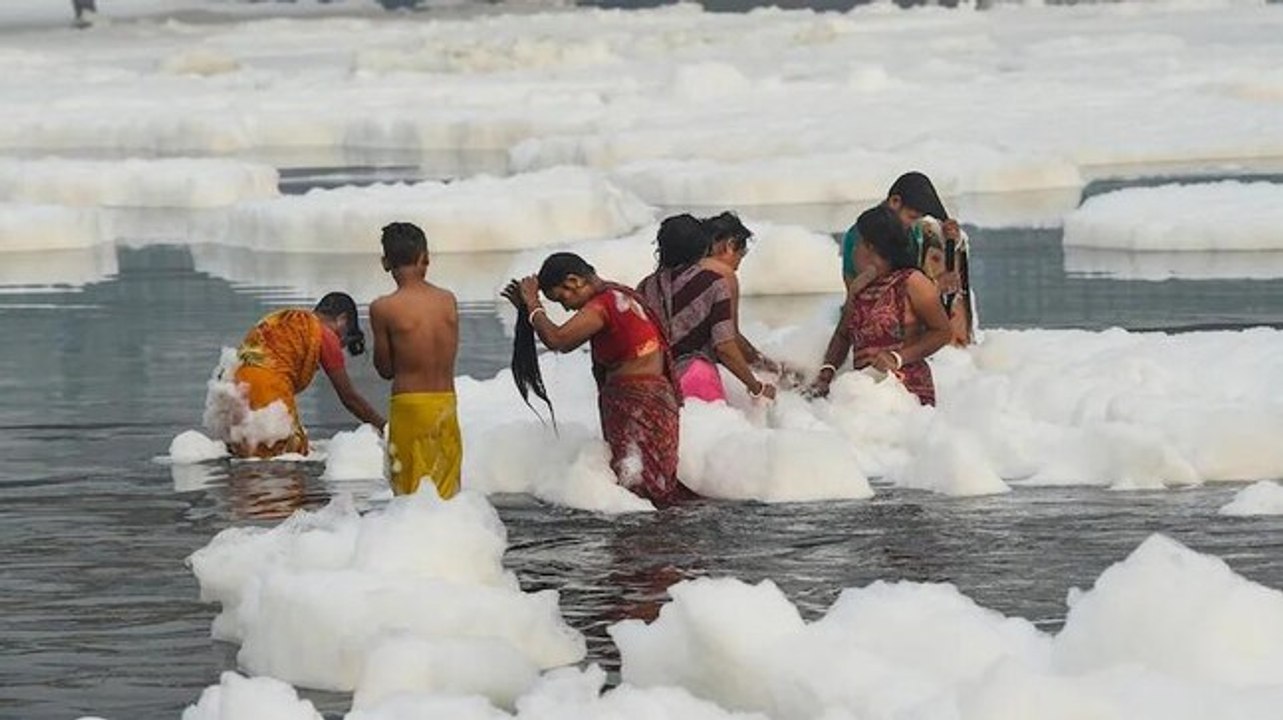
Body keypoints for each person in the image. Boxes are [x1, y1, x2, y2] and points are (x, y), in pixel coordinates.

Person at [503, 253, 696, 506]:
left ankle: (651, 541)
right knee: (648, 479)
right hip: (649, 398)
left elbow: (559, 340)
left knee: (638, 483)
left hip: (638, 402)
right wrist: (528, 307)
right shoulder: (619, 296)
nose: (567, 308)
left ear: (573, 282)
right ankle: (655, 538)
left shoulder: (603, 304)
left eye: (562, 299)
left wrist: (533, 305)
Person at [811, 206, 953, 405]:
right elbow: (843, 335)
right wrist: (827, 372)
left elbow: (942, 332)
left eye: (857, 245)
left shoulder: (912, 281)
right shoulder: (859, 287)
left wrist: (898, 358)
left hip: (906, 392)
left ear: (869, 247)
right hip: (866, 391)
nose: (852, 251)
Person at [217, 293, 385, 458]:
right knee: (286, 461)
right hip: (265, 391)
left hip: (232, 388)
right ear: (342, 319)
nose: (339, 346)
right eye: (342, 339)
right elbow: (349, 398)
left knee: (245, 457)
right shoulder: (324, 334)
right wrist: (385, 428)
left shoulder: (286, 319)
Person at [636, 214, 774, 403]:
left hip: (653, 383)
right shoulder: (715, 282)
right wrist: (757, 386)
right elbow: (725, 345)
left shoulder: (645, 286)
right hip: (695, 378)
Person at [369, 222, 462, 499]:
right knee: (447, 488)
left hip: (409, 405)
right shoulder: (448, 300)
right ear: (426, 257)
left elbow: (385, 369)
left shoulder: (384, 307)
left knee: (409, 490)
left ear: (385, 262)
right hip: (446, 402)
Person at [840, 172, 974, 345]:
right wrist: (935, 287)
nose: (914, 223)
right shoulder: (865, 236)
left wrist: (950, 239)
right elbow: (872, 301)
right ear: (895, 202)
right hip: (879, 327)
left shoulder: (912, 230)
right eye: (911, 217)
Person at [698, 212, 787, 374]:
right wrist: (767, 368)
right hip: (701, 371)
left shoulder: (676, 271)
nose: (737, 266)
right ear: (730, 245)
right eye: (741, 255)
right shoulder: (723, 274)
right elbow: (729, 339)